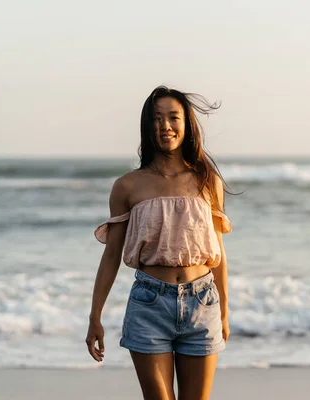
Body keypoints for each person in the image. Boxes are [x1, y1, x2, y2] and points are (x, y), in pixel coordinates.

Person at [85, 86, 232, 400]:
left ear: (186, 124)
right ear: (147, 127)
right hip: (149, 304)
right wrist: (95, 315)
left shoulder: (207, 181)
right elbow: (111, 256)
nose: (165, 125)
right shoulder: (127, 186)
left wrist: (224, 314)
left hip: (202, 303)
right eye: (157, 119)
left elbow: (218, 252)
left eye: (173, 118)